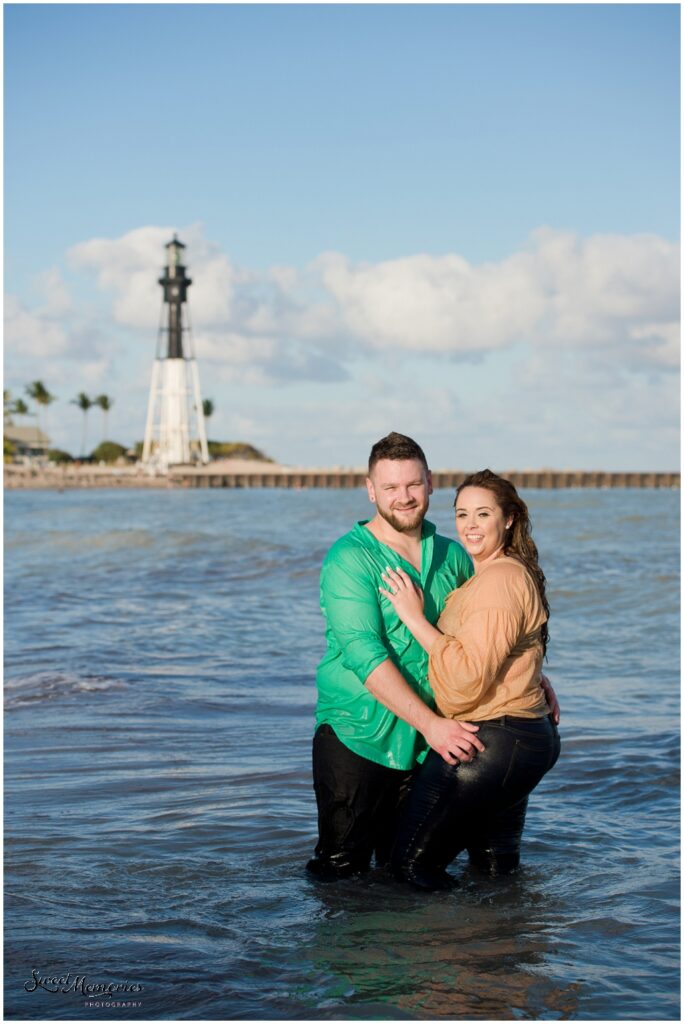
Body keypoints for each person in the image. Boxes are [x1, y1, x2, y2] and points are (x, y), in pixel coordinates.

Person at [306, 435, 558, 881]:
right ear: (371, 490)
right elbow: (365, 655)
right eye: (390, 488)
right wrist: (431, 725)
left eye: (413, 485)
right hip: (359, 732)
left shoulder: (453, 555)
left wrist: (535, 679)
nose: (403, 497)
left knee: (399, 871)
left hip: (430, 742)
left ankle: (418, 949)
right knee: (342, 872)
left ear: (430, 483)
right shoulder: (349, 559)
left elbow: (488, 633)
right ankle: (342, 951)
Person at [379, 469, 561, 891]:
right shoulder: (504, 573)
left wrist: (413, 617)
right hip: (522, 738)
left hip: (493, 745)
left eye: (483, 514)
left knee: (409, 870)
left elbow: (466, 680)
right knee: (495, 871)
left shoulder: (499, 581)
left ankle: (444, 949)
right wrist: (536, 678)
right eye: (462, 515)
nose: (470, 526)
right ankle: (502, 944)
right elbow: (505, 650)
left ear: (509, 519)